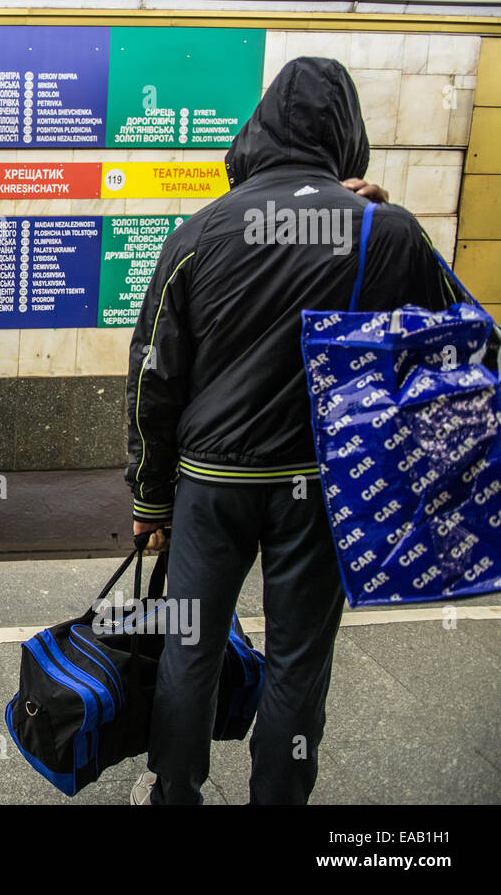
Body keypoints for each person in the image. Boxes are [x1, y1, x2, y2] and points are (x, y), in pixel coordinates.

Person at [124, 56, 464, 805]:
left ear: (261, 128)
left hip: (210, 484)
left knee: (189, 647)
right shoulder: (387, 230)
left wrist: (151, 498)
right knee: (298, 661)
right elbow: (466, 342)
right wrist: (390, 219)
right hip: (322, 485)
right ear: (347, 133)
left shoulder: (198, 231)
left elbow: (154, 374)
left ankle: (173, 791)